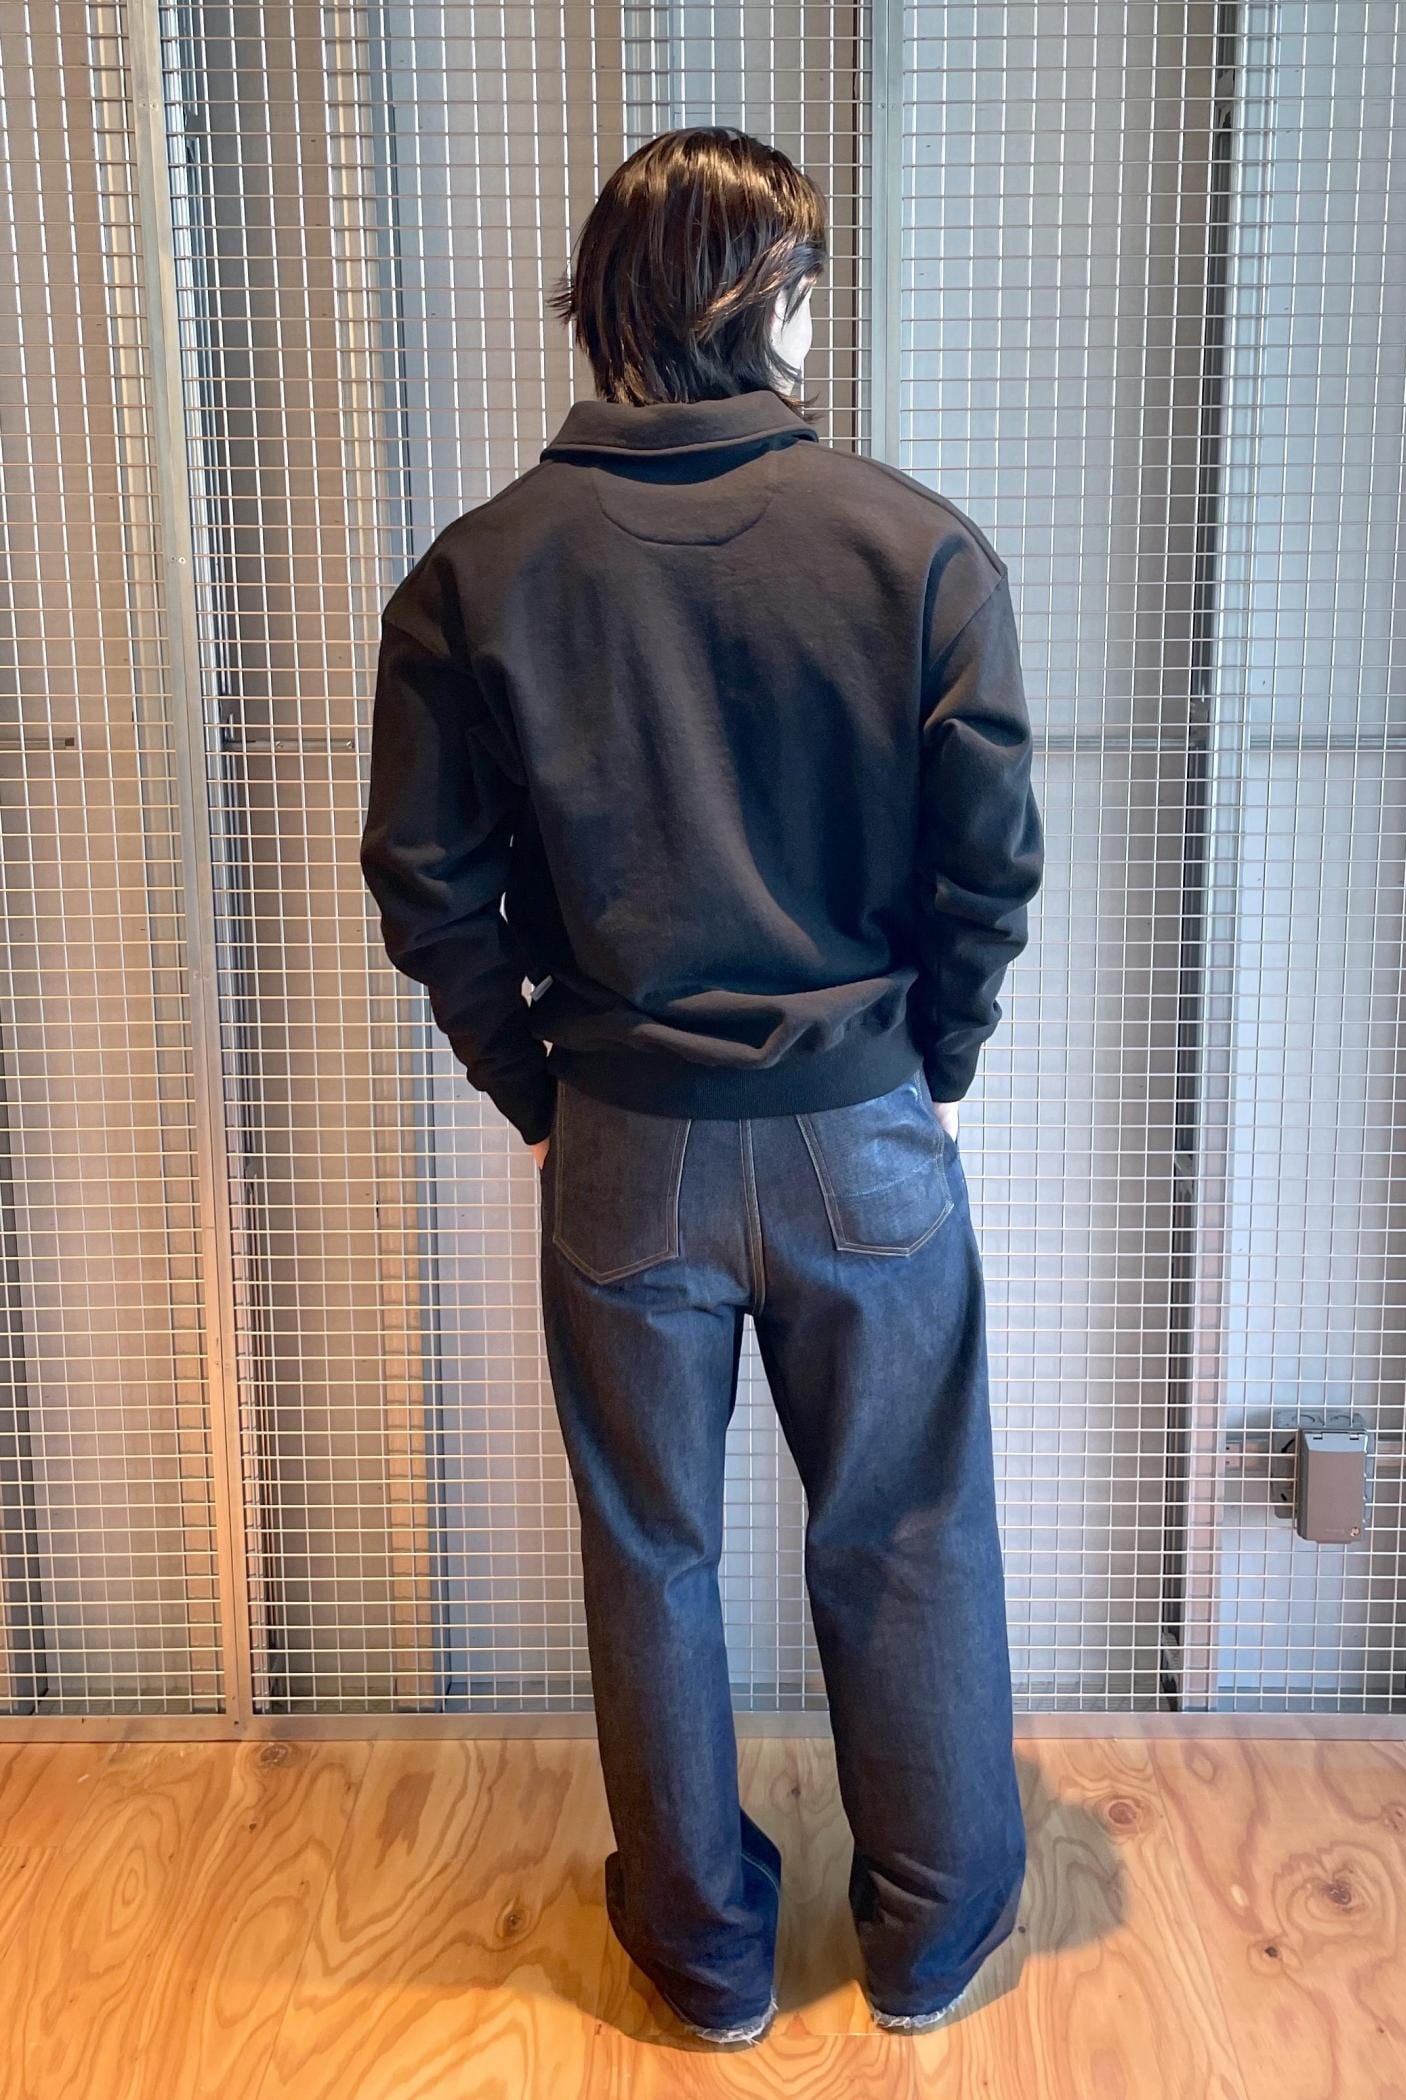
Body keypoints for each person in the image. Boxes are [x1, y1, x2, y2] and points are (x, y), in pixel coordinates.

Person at [359, 125, 1044, 2048]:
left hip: (625, 1144)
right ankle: (931, 1933)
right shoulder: (915, 550)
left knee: (651, 1551)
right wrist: (937, 1063)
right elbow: (991, 866)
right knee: (907, 1526)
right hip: (863, 1133)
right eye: (806, 285)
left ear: (607, 308)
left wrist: (539, 1091)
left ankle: (705, 1949)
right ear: (773, 304)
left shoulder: (478, 572)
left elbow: (426, 882)